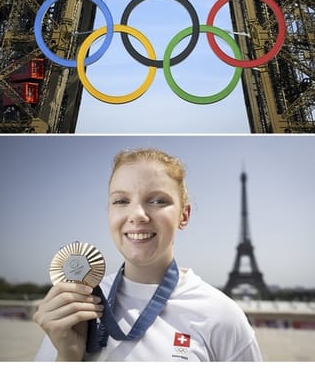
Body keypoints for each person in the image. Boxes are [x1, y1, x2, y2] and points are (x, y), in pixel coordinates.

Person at [33, 148, 261, 361]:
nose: (138, 215)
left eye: (158, 201)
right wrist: (67, 357)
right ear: (109, 212)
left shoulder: (223, 316)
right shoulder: (76, 305)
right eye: (121, 201)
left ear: (184, 215)